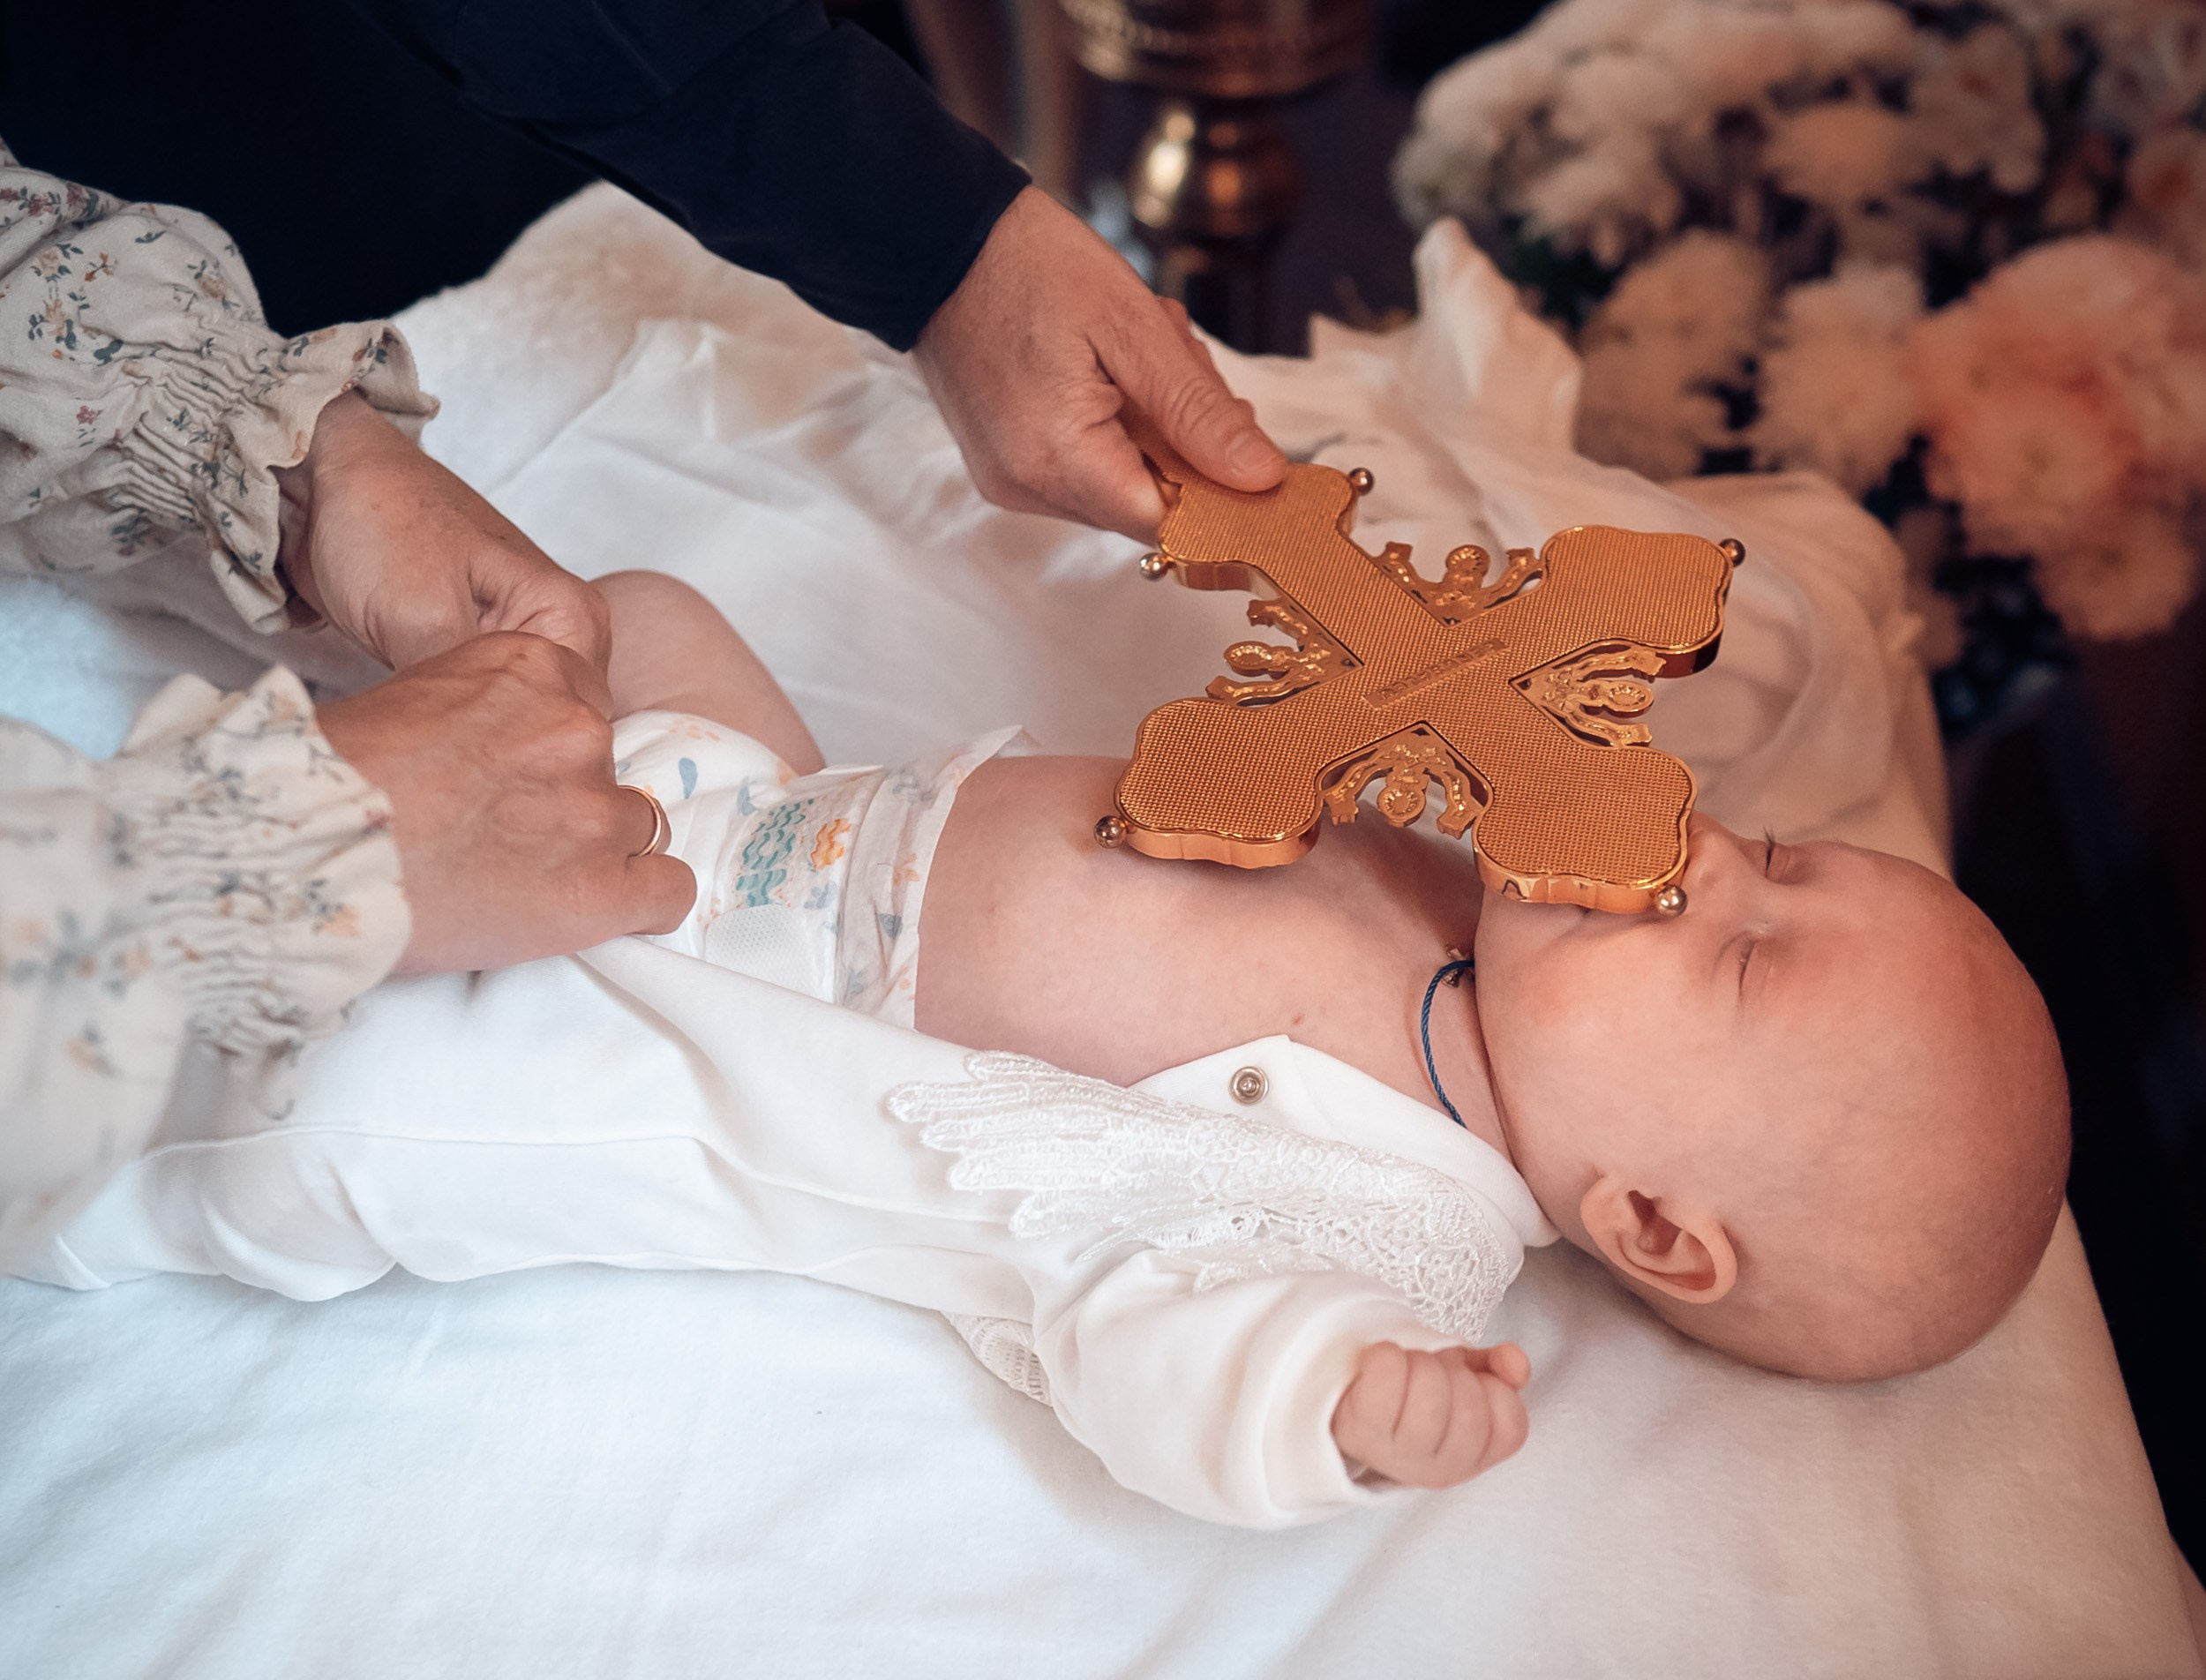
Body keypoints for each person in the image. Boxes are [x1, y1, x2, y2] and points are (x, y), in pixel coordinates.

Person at [33, 568, 2072, 1526]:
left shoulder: (1404, 1223)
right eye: (1775, 852)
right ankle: (349, 753)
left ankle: (98, 1064)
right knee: (622, 609)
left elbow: (1156, 1327)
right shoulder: (1467, 886)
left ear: (1650, 1222)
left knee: (375, 1113)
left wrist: (1328, 1402)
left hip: (721, 998)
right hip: (791, 803)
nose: (1694, 854)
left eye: (1731, 956)